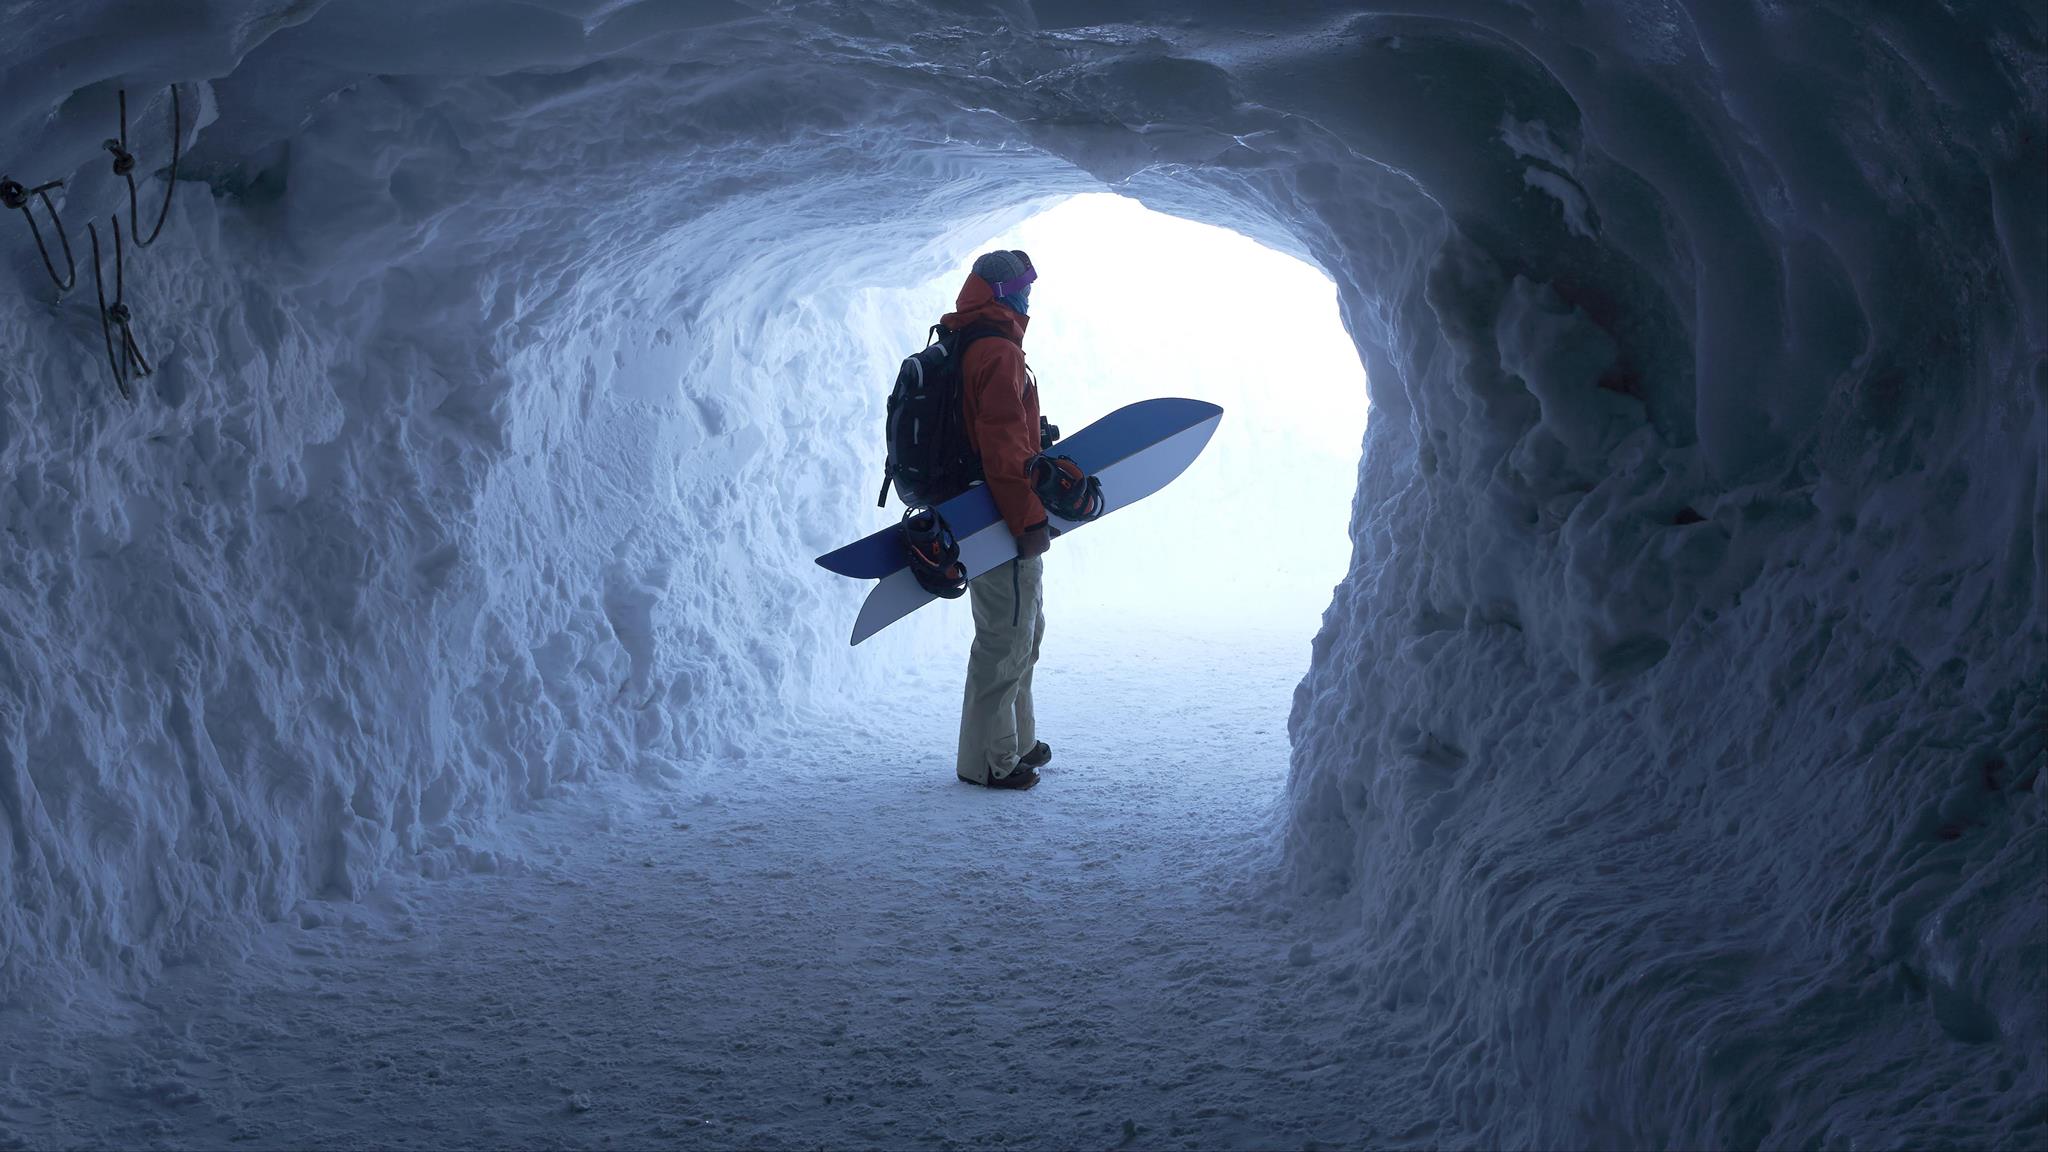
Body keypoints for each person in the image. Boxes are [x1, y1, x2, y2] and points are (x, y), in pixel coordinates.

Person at [948, 249, 1054, 790]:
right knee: (1005, 638)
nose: (1028, 294)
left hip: (983, 505)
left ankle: (1017, 738)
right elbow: (1003, 451)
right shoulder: (998, 351)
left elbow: (998, 433)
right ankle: (988, 762)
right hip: (996, 515)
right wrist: (1027, 521)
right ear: (997, 292)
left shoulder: (975, 341)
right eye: (1020, 285)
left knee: (1022, 633)